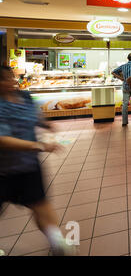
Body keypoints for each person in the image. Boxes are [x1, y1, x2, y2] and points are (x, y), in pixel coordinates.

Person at [0, 66, 74, 256]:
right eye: (5, 79)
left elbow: (37, 117)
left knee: (40, 204)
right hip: (3, 169)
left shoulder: (25, 97)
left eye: (11, 77)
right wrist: (38, 146)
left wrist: (46, 124)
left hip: (28, 165)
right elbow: (3, 139)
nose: (11, 81)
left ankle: (58, 244)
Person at [112, 53, 131, 127]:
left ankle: (124, 122)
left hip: (125, 86)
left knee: (125, 104)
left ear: (127, 58)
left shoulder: (123, 66)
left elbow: (113, 72)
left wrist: (121, 78)